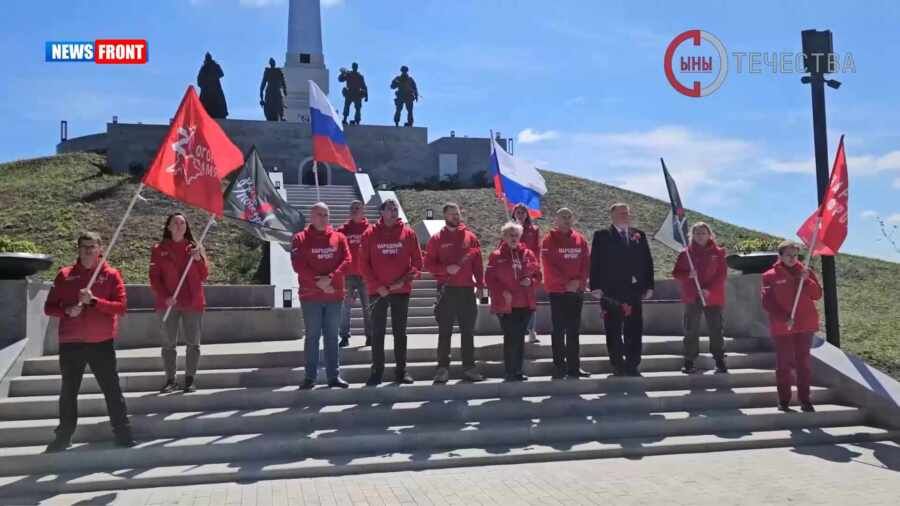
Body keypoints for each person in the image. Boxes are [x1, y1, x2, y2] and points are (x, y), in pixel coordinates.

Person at [43, 231, 134, 452]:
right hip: (71, 342)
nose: (88, 250)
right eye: (84, 246)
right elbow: (48, 307)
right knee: (68, 392)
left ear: (100, 249)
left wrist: (94, 302)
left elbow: (121, 308)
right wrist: (67, 310)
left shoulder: (111, 275)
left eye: (92, 246)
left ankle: (122, 432)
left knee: (111, 389)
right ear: (78, 248)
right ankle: (63, 436)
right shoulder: (64, 275)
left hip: (100, 342)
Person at [359, 199, 423, 385]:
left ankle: (401, 371)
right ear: (381, 212)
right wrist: (377, 285)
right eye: (390, 208)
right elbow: (363, 264)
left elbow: (418, 263)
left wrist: (402, 282)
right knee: (377, 333)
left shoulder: (408, 234)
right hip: (377, 292)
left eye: (396, 208)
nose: (394, 211)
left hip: (401, 292)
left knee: (400, 333)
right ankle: (377, 372)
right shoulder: (369, 234)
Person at [590, 203, 655, 377]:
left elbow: (647, 261)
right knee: (613, 329)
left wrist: (649, 285)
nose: (624, 216)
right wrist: (595, 286)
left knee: (634, 328)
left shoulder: (638, 235)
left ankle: (633, 364)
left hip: (634, 290)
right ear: (612, 216)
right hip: (610, 292)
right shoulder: (602, 236)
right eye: (620, 213)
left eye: (626, 213)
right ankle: (617, 364)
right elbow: (595, 262)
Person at [292, 203, 352, 389]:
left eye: (326, 214)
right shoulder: (300, 238)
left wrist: (331, 279)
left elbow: (347, 260)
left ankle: (333, 376)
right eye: (319, 214)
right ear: (311, 216)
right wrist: (319, 283)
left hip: (334, 296)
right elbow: (299, 266)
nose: (323, 218)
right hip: (311, 297)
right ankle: (310, 377)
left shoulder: (339, 237)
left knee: (332, 337)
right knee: (312, 336)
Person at [424, 202, 485, 384]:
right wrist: (444, 269)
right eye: (452, 214)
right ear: (445, 216)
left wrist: (480, 284)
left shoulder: (470, 237)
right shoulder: (436, 239)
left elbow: (478, 263)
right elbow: (429, 264)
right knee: (445, 332)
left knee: (468, 331)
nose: (456, 217)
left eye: (457, 213)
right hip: (446, 291)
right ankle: (442, 369)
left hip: (467, 290)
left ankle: (469, 368)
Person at [149, 213, 209, 394]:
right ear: (168, 226)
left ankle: (190, 379)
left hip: (192, 302)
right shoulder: (159, 249)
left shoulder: (194, 248)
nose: (179, 225)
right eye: (175, 222)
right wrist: (165, 296)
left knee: (193, 343)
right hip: (169, 302)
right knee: (168, 343)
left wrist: (198, 259)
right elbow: (154, 277)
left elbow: (204, 275)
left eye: (182, 222)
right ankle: (170, 380)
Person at [761, 240, 823, 412]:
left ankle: (805, 399)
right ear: (780, 256)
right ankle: (784, 400)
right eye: (788, 255)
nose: (792, 258)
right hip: (783, 327)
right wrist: (783, 318)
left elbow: (817, 295)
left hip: (805, 324)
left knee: (803, 364)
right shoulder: (769, 275)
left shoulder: (806, 271)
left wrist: (807, 281)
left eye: (795, 255)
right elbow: (767, 302)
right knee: (783, 364)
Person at [485, 222, 541, 381]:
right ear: (504, 237)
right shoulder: (496, 255)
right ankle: (510, 371)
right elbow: (489, 279)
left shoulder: (528, 254)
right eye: (510, 235)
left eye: (516, 235)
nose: (514, 238)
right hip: (506, 305)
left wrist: (531, 281)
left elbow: (538, 275)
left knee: (519, 339)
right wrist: (503, 292)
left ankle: (518, 371)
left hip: (525, 304)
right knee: (511, 338)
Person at [541, 208, 591, 379]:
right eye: (563, 217)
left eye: (570, 216)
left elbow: (586, 263)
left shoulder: (580, 240)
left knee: (573, 330)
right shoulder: (549, 240)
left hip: (576, 291)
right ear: (556, 219)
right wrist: (565, 283)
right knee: (558, 330)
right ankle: (559, 367)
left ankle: (574, 367)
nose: (567, 219)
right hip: (558, 291)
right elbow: (548, 265)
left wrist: (579, 282)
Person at [672, 222, 728, 374]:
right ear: (692, 235)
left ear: (710, 235)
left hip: (713, 296)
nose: (700, 236)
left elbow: (722, 275)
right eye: (697, 233)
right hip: (692, 296)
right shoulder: (686, 254)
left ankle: (719, 359)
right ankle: (689, 360)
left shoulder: (719, 253)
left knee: (716, 329)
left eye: (703, 233)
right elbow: (676, 273)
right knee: (691, 329)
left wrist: (709, 290)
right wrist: (687, 275)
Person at [337, 200, 373, 347]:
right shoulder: (342, 230)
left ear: (363, 210)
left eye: (357, 208)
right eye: (352, 208)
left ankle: (370, 336)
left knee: (368, 308)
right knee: (345, 308)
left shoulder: (370, 230)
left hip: (366, 276)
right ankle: (344, 336)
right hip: (348, 276)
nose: (354, 210)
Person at [512, 203, 542, 344]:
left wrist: (534, 268)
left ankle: (531, 331)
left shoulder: (534, 229)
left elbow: (537, 250)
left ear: (527, 214)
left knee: (530, 302)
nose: (521, 214)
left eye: (523, 212)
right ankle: (517, 331)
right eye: (518, 212)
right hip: (513, 270)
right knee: (514, 302)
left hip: (529, 269)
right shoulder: (509, 229)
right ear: (514, 214)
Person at [197, 52, 228, 119]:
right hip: (208, 92)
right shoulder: (205, 68)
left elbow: (221, 74)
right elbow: (199, 81)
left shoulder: (208, 67)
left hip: (213, 91)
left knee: (218, 106)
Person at [259, 57, 287, 121]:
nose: (272, 63)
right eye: (271, 62)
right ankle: (269, 116)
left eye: (273, 62)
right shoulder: (267, 71)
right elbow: (263, 83)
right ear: (270, 63)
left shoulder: (278, 71)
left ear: (274, 63)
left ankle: (282, 115)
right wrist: (261, 93)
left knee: (279, 102)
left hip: (277, 89)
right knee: (268, 103)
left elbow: (283, 81)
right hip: (269, 90)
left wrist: (285, 90)